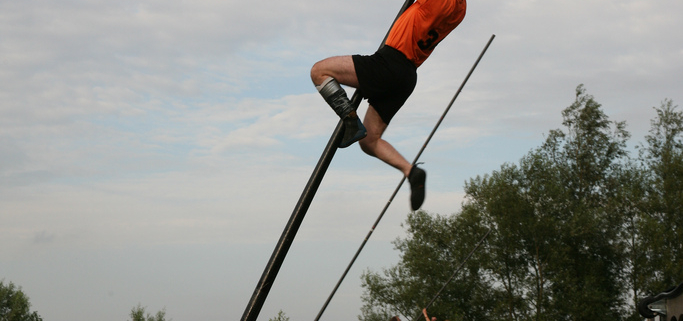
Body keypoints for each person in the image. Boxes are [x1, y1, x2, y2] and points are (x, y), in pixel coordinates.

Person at [310, 0, 466, 210]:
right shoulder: (460, 10)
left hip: (391, 63)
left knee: (319, 71)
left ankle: (350, 120)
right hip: (408, 76)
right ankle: (410, 171)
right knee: (369, 141)